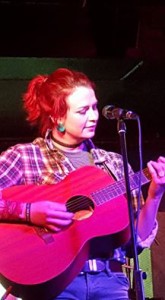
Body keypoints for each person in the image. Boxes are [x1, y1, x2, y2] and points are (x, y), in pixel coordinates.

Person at [0, 67, 165, 300]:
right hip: (54, 285)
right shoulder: (25, 156)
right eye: (83, 110)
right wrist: (29, 212)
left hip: (111, 282)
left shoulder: (114, 164)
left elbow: (135, 243)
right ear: (57, 117)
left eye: (95, 107)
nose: (94, 116)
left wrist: (155, 195)